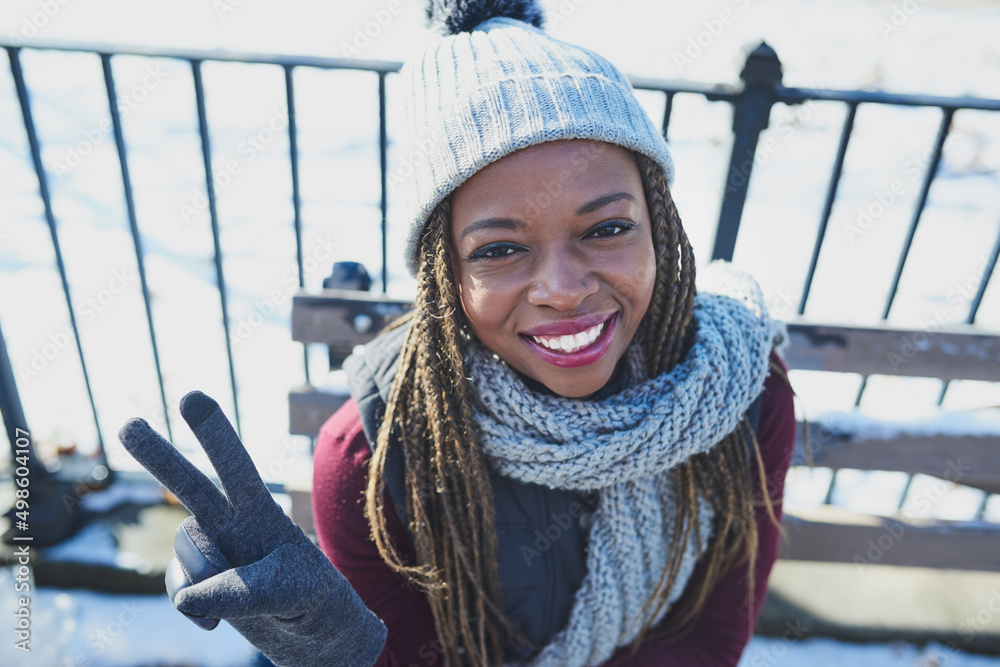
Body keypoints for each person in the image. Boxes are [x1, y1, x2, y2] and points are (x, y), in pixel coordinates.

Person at [120, 1, 797, 666]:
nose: (562, 288)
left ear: (661, 230)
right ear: (444, 275)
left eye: (607, 228)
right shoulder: (370, 459)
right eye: (500, 249)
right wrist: (348, 652)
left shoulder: (741, 391)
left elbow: (707, 643)